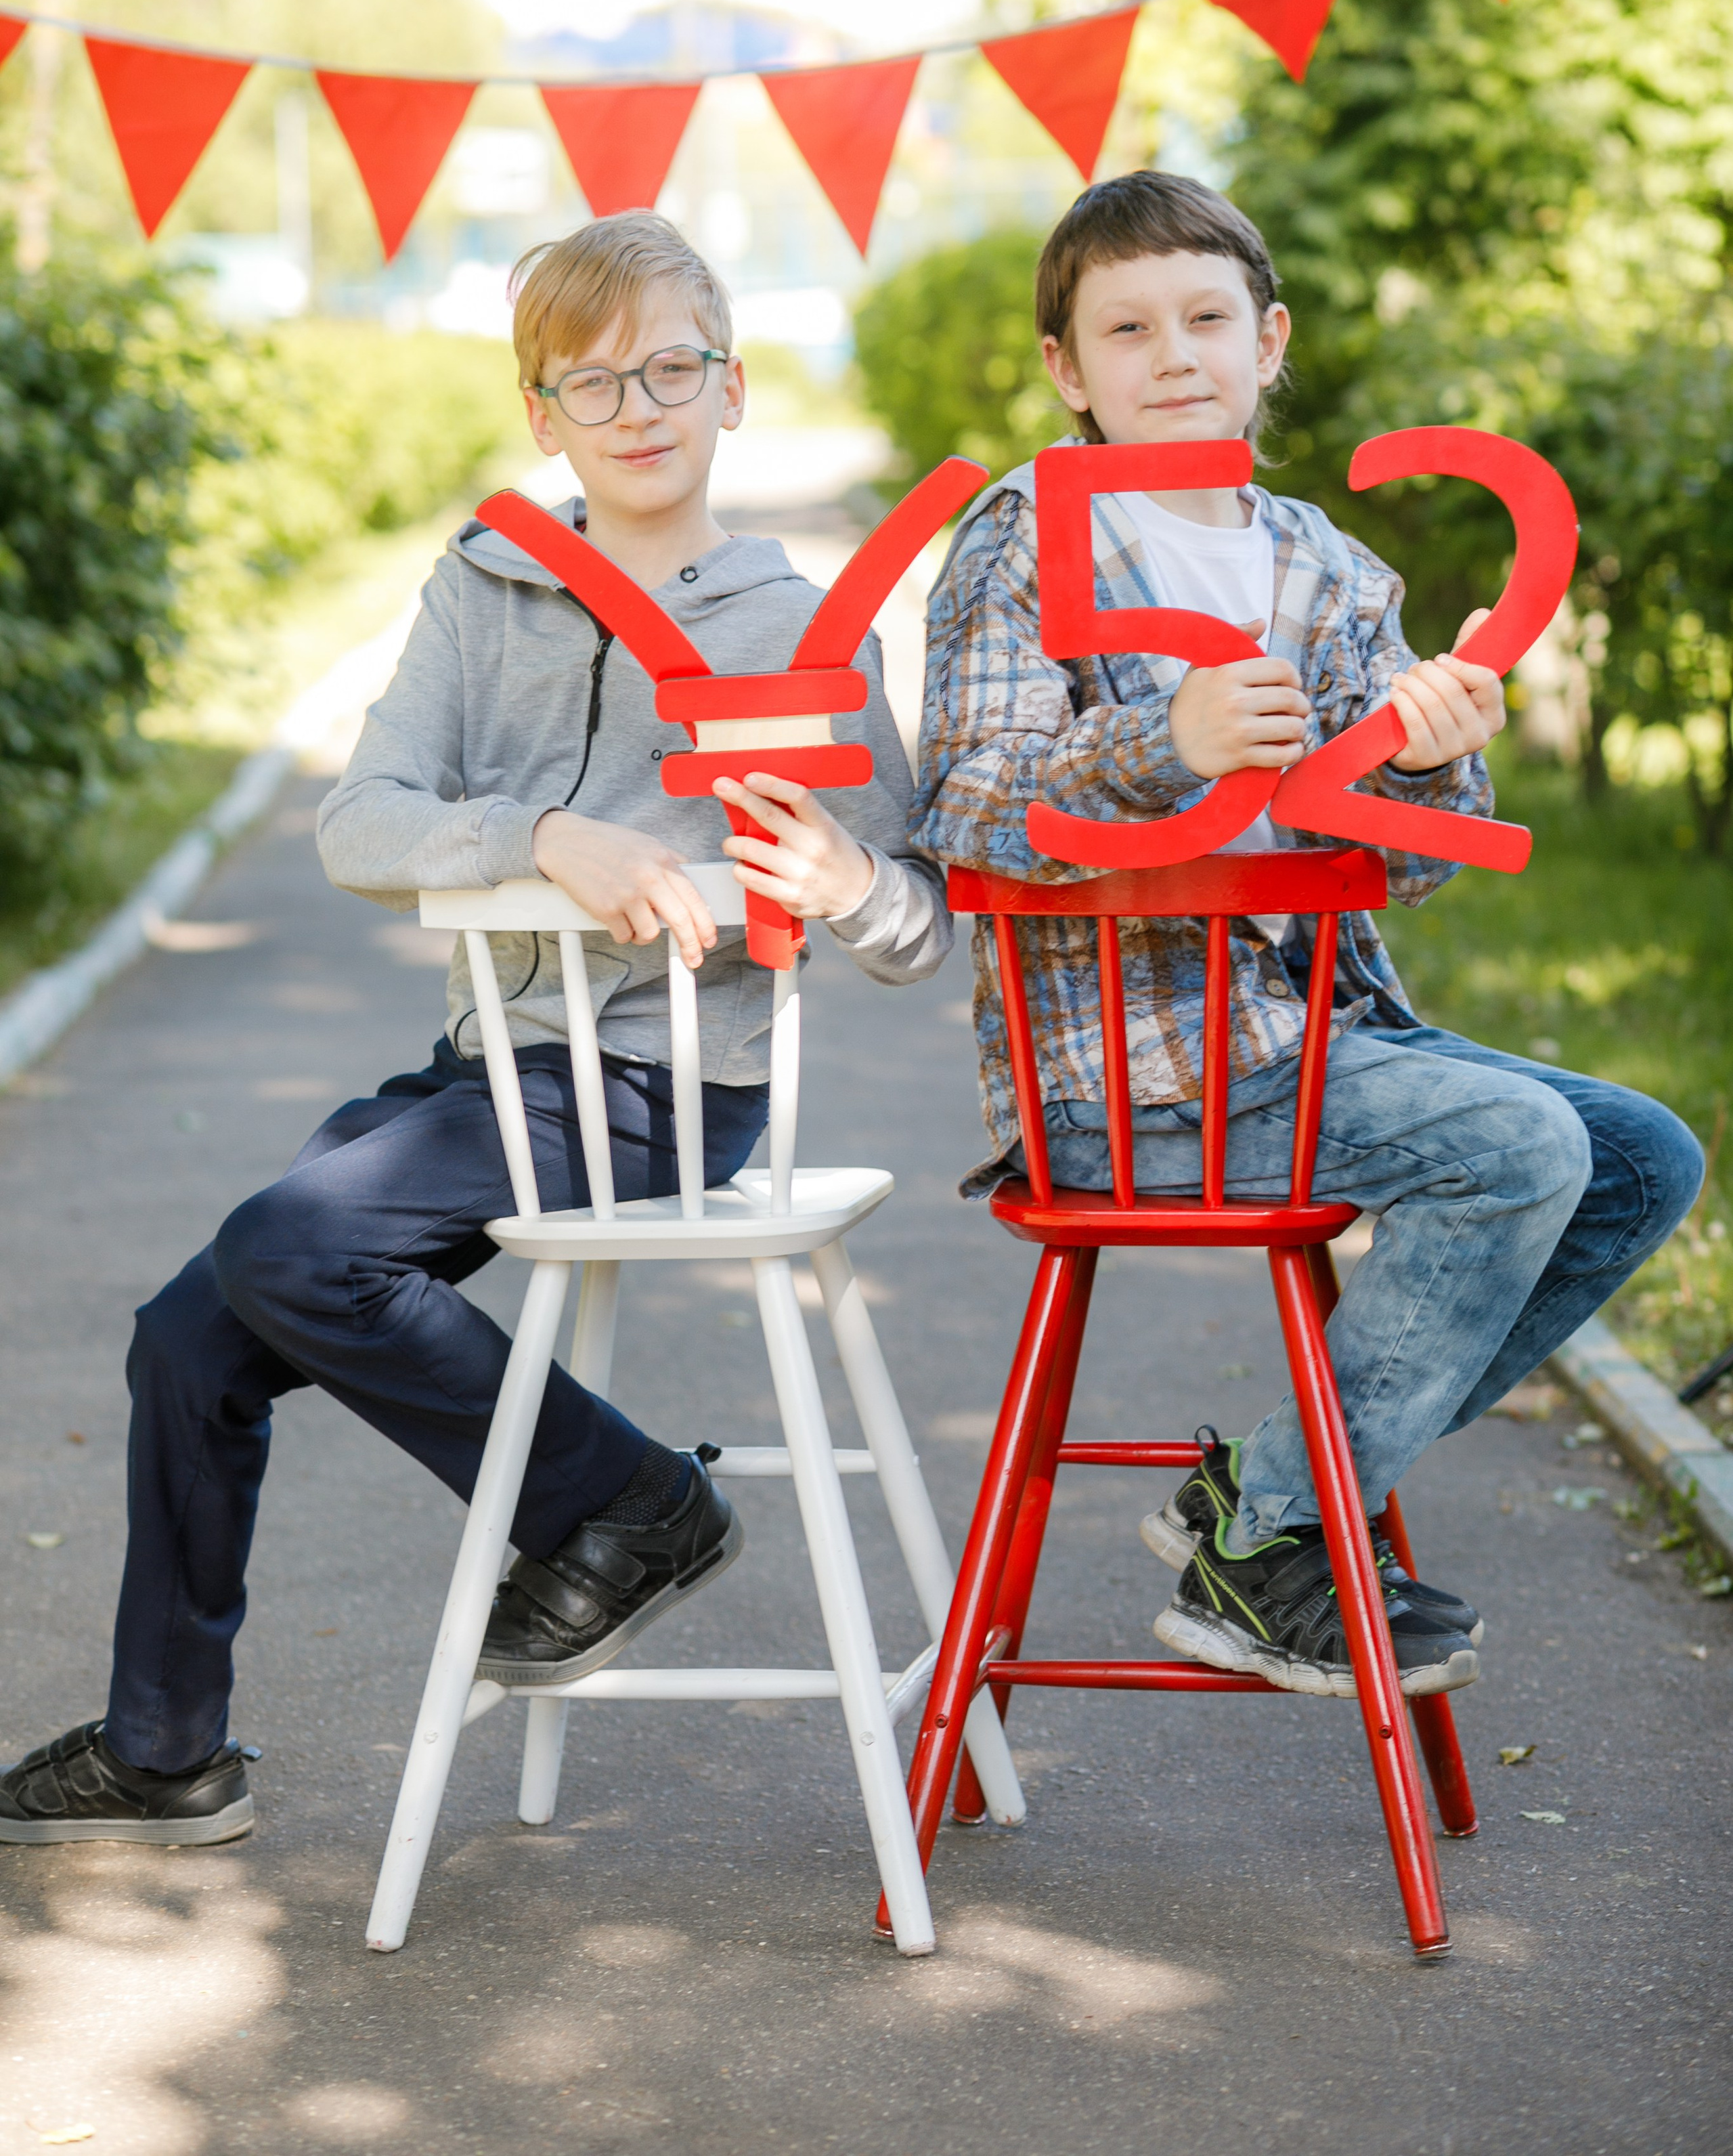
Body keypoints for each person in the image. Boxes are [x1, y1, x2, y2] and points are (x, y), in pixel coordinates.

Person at [0, 213, 950, 1846]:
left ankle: (627, 1501)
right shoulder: (487, 578)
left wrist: (845, 873)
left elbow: (913, 927)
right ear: (542, 416)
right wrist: (539, 837)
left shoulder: (802, 624)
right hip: (494, 1072)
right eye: (590, 380)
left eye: (669, 368)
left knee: (293, 1246)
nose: (635, 406)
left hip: (667, 1081)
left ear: (730, 387)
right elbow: (359, 820)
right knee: (189, 1333)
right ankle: (166, 1749)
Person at [912, 170, 1703, 1700]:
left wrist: (1418, 760)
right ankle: (1283, 1531)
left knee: (1639, 1156)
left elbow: (1396, 869)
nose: (1173, 354)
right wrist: (1165, 738)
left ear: (1266, 338)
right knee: (1520, 1147)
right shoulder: (1026, 542)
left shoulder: (1324, 567)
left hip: (1320, 1039)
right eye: (1126, 329)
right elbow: (962, 809)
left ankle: (1262, 1503)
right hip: (1132, 1086)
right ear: (1067, 370)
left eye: (1205, 318)